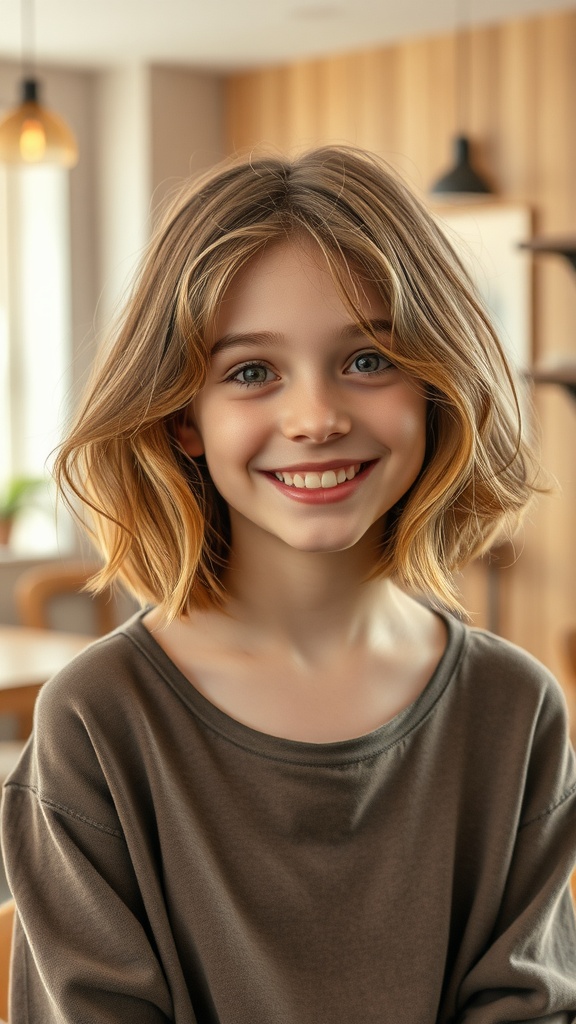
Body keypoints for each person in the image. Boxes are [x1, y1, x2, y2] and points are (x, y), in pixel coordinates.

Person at [2, 146, 575, 1024]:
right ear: (182, 418)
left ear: (434, 389)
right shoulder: (96, 718)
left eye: (369, 360)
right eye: (251, 372)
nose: (316, 417)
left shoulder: (515, 707)